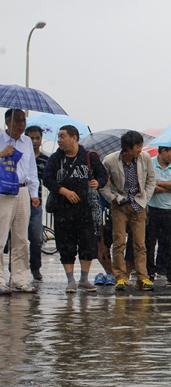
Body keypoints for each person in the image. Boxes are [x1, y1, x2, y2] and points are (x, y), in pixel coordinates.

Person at [43, 125, 109, 293]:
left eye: (62, 136)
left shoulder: (88, 156)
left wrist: (98, 183)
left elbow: (103, 175)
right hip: (63, 209)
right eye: (59, 136)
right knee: (66, 245)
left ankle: (84, 279)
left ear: (74, 138)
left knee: (87, 243)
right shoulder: (55, 159)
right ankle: (70, 280)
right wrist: (64, 191)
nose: (59, 140)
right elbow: (47, 179)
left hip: (85, 209)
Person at [100, 130, 156, 291]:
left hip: (138, 204)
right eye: (137, 146)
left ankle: (142, 277)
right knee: (119, 242)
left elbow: (151, 179)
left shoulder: (144, 158)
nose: (140, 150)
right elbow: (102, 184)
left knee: (140, 244)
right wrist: (113, 198)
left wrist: (144, 199)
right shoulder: (110, 160)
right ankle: (120, 277)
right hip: (120, 204)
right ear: (128, 148)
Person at [0, 109, 41, 294]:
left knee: (21, 238)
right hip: (3, 191)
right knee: (1, 237)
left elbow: (32, 169)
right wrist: (2, 154)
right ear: (7, 122)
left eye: (23, 120)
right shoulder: (1, 140)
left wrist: (34, 194)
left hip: (23, 190)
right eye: (17, 121)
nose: (21, 125)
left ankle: (20, 279)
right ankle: (0, 280)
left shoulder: (26, 142)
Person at [146, 145, 171, 287]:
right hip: (152, 209)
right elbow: (149, 185)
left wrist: (159, 183)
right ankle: (149, 273)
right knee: (149, 244)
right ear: (163, 151)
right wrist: (167, 186)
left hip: (168, 210)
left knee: (170, 245)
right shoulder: (150, 164)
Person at [25, 125, 50, 282]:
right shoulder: (21, 156)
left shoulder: (45, 160)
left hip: (36, 204)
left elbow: (49, 180)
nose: (34, 141)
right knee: (17, 239)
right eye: (31, 138)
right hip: (19, 200)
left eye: (37, 138)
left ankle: (35, 267)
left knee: (36, 238)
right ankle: (16, 269)